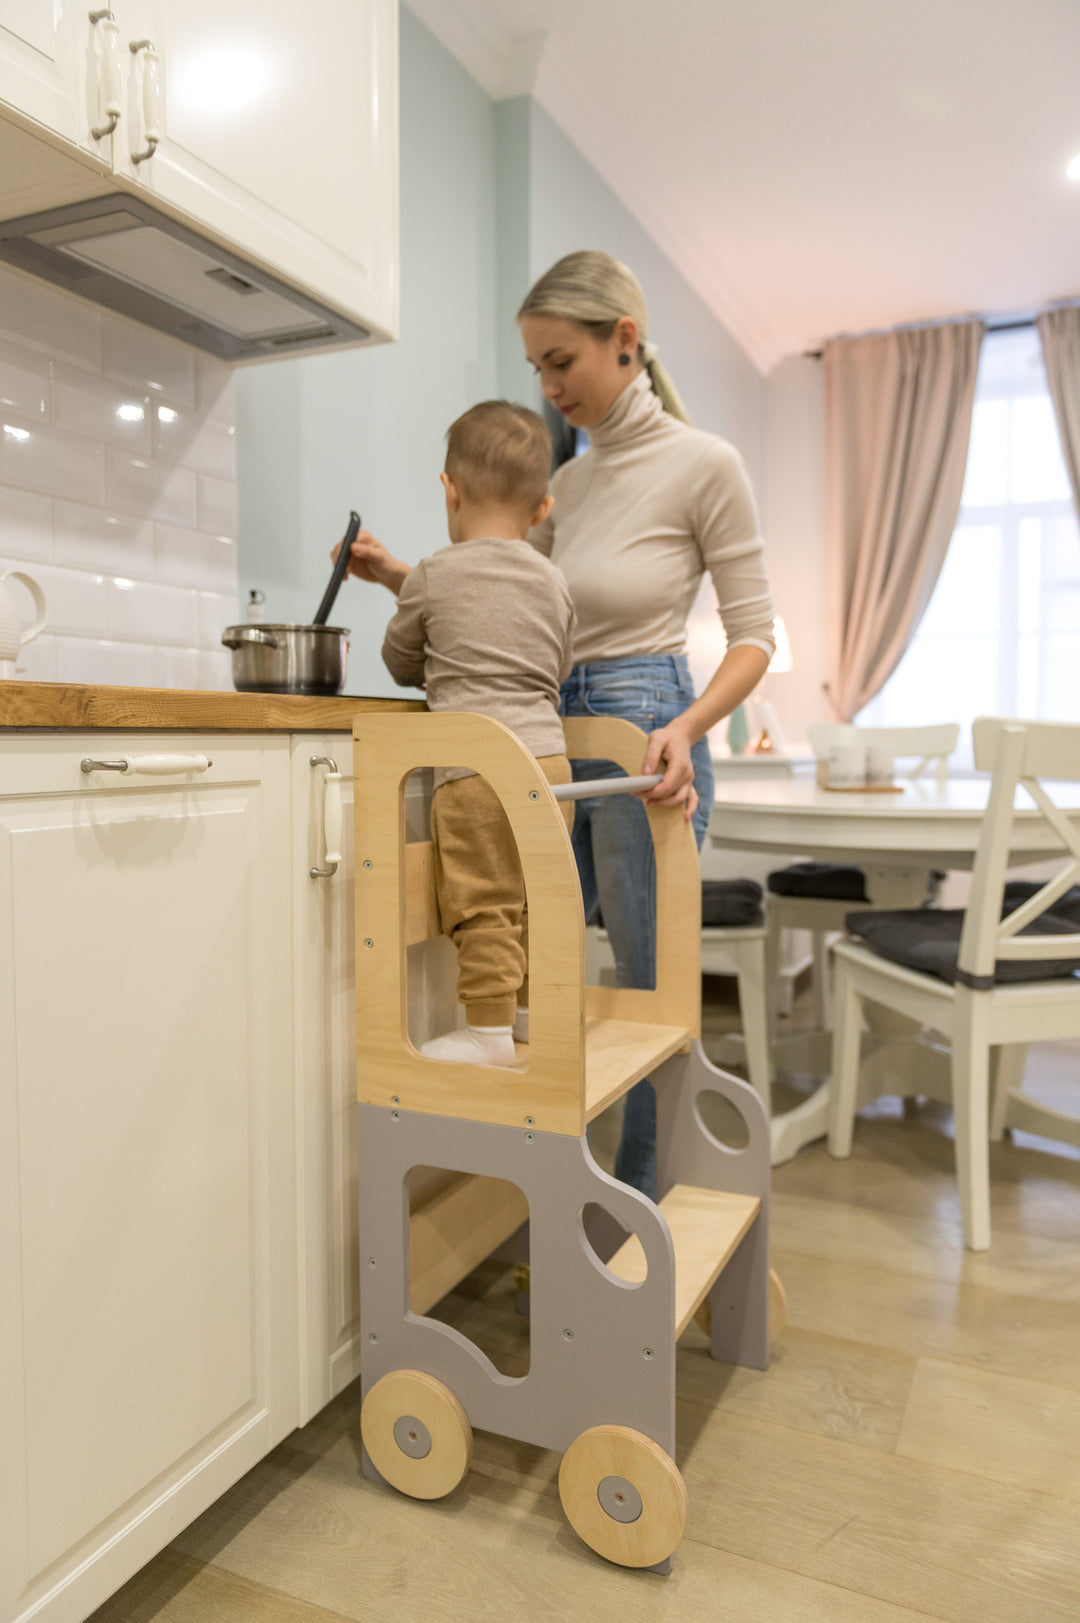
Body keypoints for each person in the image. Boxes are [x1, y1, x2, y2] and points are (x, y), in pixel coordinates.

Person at [340, 252, 775, 1199]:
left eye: (561, 361)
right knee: (540, 967)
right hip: (547, 734)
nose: (548, 386)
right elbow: (498, 593)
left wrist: (687, 726)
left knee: (647, 993)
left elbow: (755, 636)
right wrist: (397, 576)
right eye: (537, 366)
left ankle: (647, 1197)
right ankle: (558, 1198)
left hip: (645, 729)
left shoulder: (704, 464)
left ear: (625, 340)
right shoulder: (566, 484)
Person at [378, 400, 576, 1069]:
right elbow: (559, 666)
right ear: (542, 508)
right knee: (535, 897)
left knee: (485, 902)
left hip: (476, 772)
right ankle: (526, 1015)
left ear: (450, 489)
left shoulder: (434, 573)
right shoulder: (553, 580)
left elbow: (399, 659)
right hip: (551, 765)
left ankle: (488, 1032)